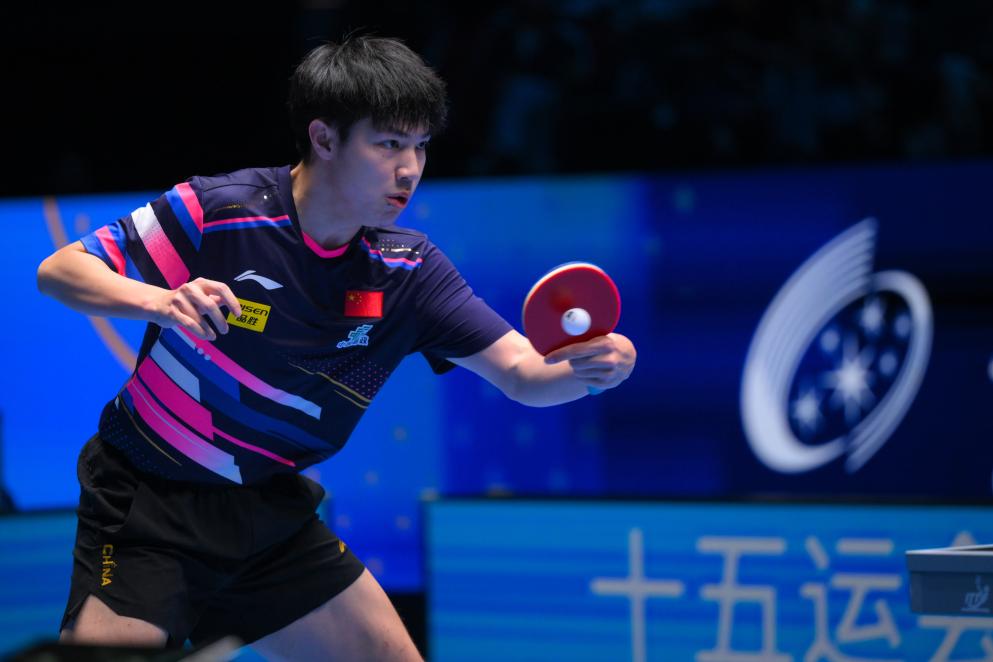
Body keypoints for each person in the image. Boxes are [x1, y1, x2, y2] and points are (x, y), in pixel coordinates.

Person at [36, 35, 636, 661]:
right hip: (148, 508)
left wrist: (594, 368)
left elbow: (523, 373)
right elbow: (60, 270)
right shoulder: (221, 210)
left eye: (421, 145)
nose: (410, 168)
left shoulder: (408, 271)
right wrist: (159, 301)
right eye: (389, 144)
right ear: (324, 138)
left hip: (270, 518)